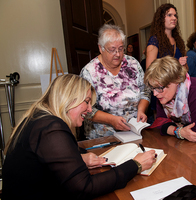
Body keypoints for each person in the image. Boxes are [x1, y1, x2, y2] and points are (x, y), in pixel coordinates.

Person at [2, 74, 156, 199]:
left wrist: (78, 156)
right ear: (69, 99)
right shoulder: (51, 129)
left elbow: (52, 157)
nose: (90, 110)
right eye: (87, 102)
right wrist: (135, 165)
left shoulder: (39, 118)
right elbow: (85, 188)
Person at [80, 24, 150, 139]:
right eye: (112, 50)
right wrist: (111, 120)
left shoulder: (132, 63)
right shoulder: (89, 72)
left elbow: (145, 91)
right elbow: (85, 109)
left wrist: (141, 110)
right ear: (101, 48)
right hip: (103, 137)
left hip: (134, 133)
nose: (118, 54)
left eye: (121, 49)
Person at [146, 3, 187, 68]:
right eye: (169, 15)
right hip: (163, 78)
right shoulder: (154, 40)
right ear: (161, 19)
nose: (174, 18)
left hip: (179, 77)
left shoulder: (178, 40)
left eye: (175, 15)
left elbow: (186, 69)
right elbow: (150, 70)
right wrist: (176, 64)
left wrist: (183, 64)